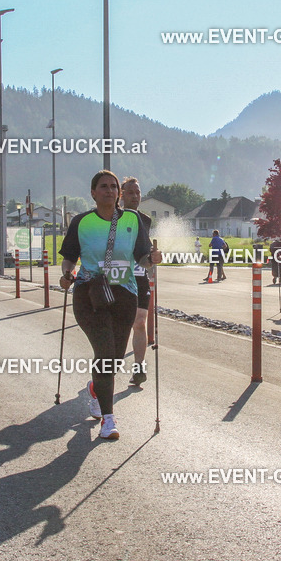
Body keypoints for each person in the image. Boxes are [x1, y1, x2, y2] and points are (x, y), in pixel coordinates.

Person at [59, 170, 161, 440]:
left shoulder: (132, 219)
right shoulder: (81, 222)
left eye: (113, 187)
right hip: (89, 294)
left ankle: (96, 387)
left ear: (119, 193)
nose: (109, 191)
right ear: (93, 192)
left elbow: (141, 257)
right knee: (105, 352)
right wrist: (67, 273)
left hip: (124, 296)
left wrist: (153, 259)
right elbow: (69, 256)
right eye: (103, 187)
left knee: (114, 358)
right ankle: (108, 418)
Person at [121, 176, 152, 387]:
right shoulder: (113, 217)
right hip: (117, 277)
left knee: (140, 321)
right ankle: (106, 368)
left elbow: (145, 249)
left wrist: (153, 258)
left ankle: (139, 368)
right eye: (130, 192)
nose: (135, 196)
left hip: (140, 275)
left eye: (138, 192)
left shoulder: (145, 220)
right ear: (121, 195)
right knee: (119, 326)